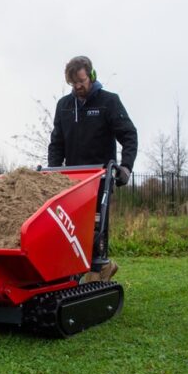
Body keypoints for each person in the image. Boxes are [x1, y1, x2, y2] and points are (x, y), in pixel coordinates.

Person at [48, 55, 138, 283]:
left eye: (81, 81)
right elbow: (57, 144)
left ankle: (98, 269)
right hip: (71, 180)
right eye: (73, 83)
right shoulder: (64, 107)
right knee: (69, 229)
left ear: (92, 75)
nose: (78, 87)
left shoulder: (108, 102)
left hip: (100, 178)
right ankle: (94, 269)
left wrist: (125, 167)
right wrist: (52, 174)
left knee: (96, 228)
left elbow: (129, 135)